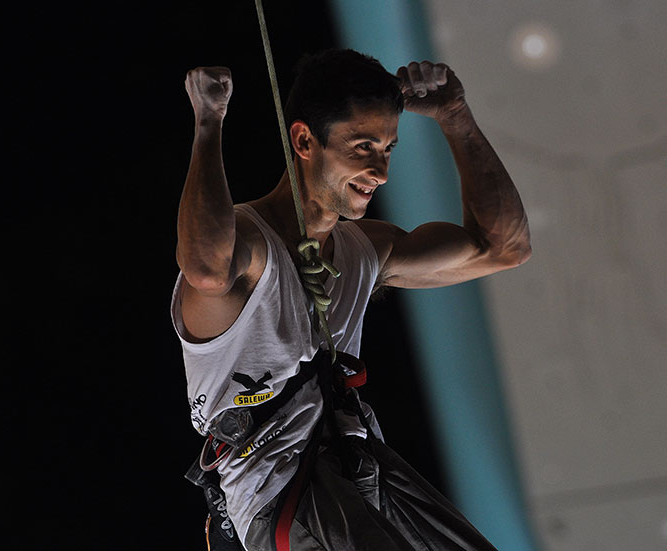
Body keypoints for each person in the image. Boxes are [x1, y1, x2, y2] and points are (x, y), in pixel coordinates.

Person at [172, 49, 531, 551]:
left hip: (359, 470)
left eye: (387, 149)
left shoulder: (367, 250)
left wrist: (455, 116)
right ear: (304, 140)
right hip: (275, 493)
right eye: (363, 147)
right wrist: (208, 124)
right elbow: (206, 269)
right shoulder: (249, 252)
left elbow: (504, 248)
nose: (380, 171)